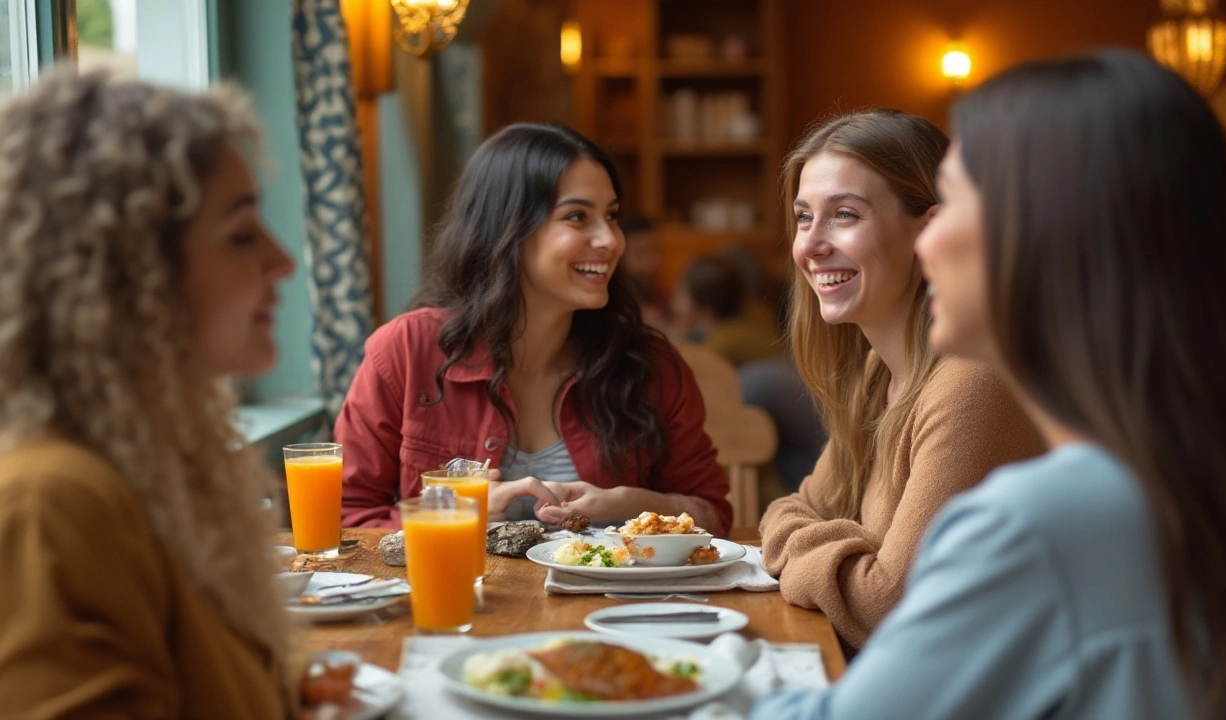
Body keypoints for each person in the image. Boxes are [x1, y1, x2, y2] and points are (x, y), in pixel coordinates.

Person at [753, 50, 1226, 720]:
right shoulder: (1194, 473)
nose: (929, 237)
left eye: (955, 201)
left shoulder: (1035, 524)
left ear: (1046, 238)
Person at [0, 69, 298, 717]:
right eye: (242, 234)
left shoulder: (158, 467)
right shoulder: (51, 504)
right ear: (129, 275)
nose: (283, 260)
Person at [336, 123, 732, 534]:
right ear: (508, 229)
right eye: (577, 216)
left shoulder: (649, 365)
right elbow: (347, 517)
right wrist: (452, 518)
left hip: (612, 600)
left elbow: (714, 515)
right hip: (460, 598)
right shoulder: (406, 351)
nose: (611, 240)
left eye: (611, 216)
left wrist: (637, 503)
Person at [758, 109, 1043, 650]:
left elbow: (888, 606)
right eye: (802, 217)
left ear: (929, 230)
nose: (811, 245)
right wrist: (852, 553)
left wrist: (808, 549)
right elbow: (792, 508)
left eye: (843, 214)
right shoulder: (877, 374)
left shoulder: (971, 383)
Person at [668, 253, 782, 367]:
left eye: (682, 294)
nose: (674, 301)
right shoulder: (759, 311)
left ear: (706, 310)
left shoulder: (721, 346)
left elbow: (694, 366)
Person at [617, 214, 668, 327]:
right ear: (620, 259)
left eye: (655, 250)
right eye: (640, 254)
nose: (653, 262)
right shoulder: (615, 310)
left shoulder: (662, 298)